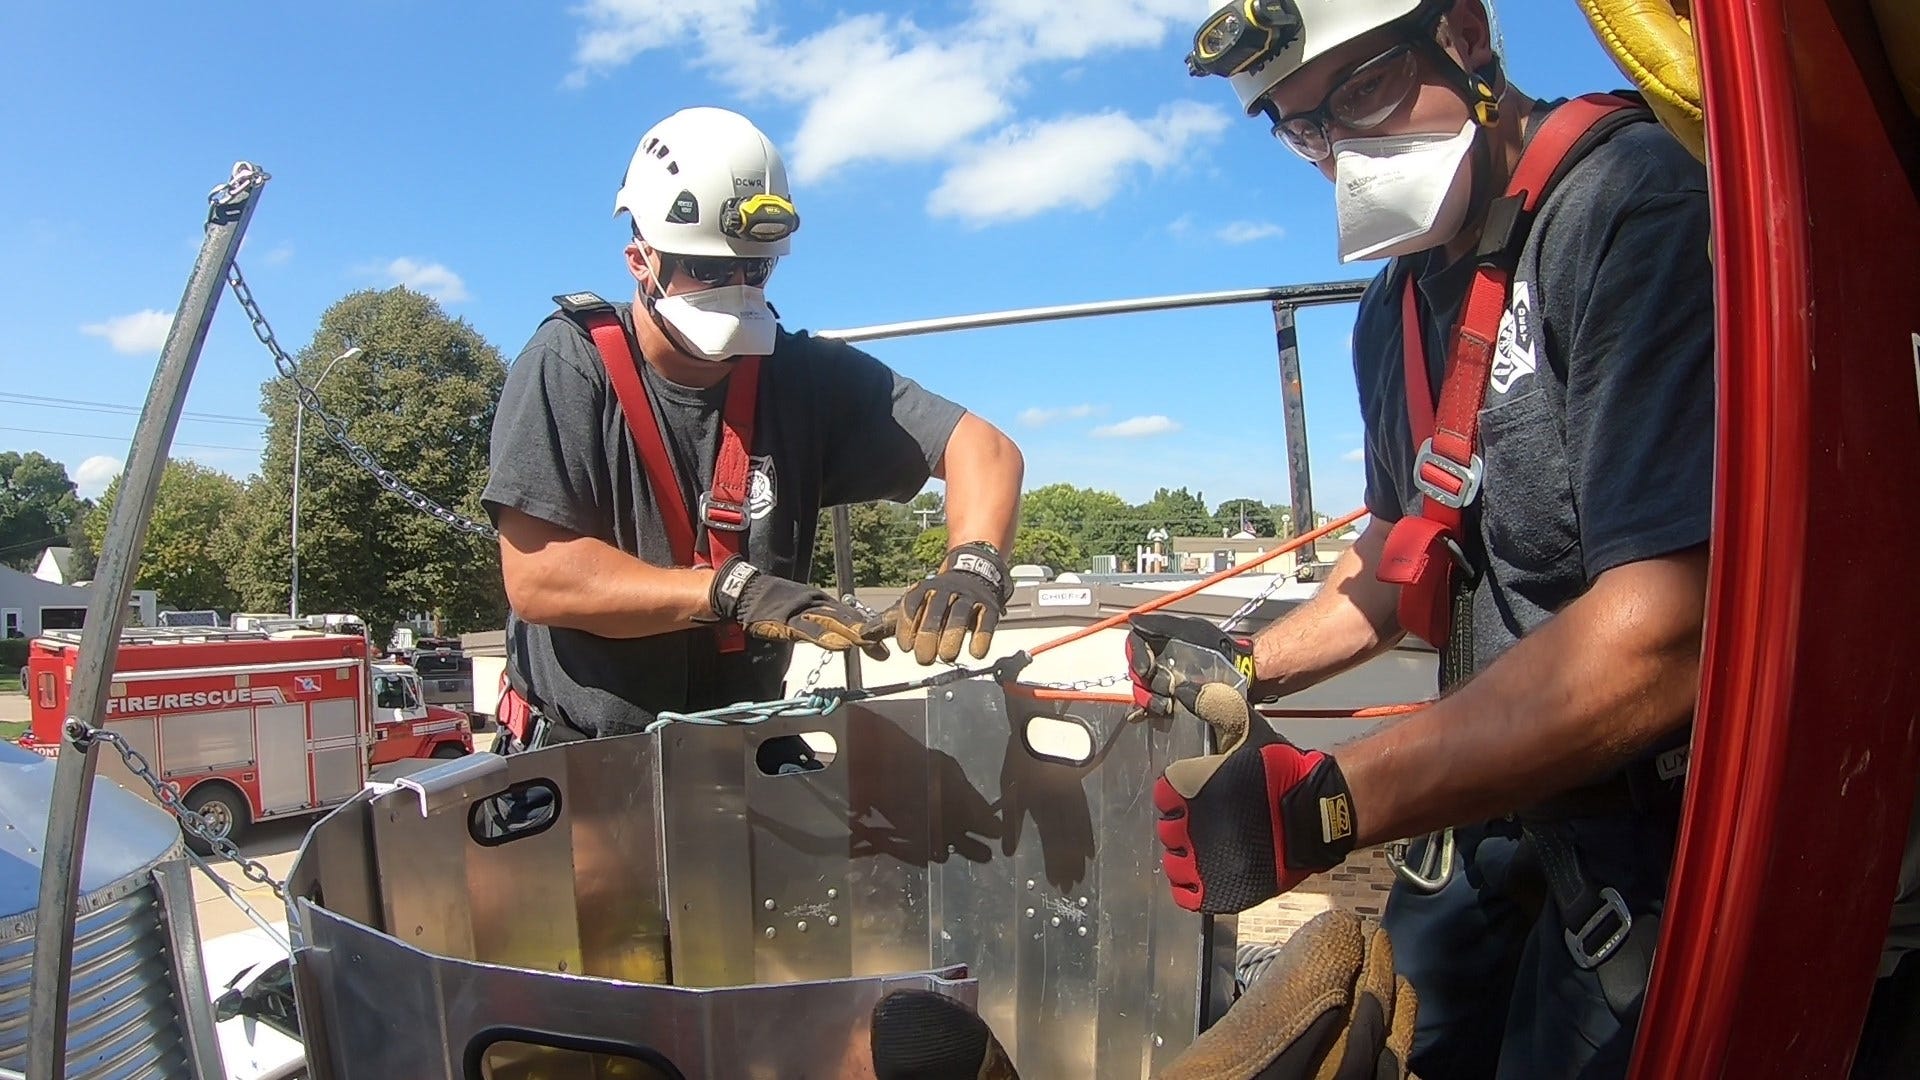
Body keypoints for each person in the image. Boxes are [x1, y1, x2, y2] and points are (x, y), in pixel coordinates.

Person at [1133, 2, 1715, 1077]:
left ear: (1465, 33)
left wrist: (1332, 804)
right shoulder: (1393, 307)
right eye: (1305, 127)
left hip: (1666, 832)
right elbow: (1404, 550)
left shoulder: (1639, 207)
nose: (1345, 149)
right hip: (1494, 805)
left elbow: (1676, 629)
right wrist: (1246, 660)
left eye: (1362, 91)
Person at [482, 106, 1024, 750]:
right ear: (641, 258)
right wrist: (735, 591)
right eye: (708, 269)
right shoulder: (572, 365)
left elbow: (983, 449)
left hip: (740, 750)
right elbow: (543, 577)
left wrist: (974, 563)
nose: (735, 288)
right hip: (586, 757)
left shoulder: (800, 376)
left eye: (755, 268)